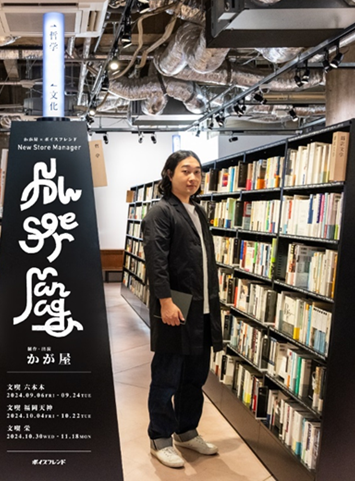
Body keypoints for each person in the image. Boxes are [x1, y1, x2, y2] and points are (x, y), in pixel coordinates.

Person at [141, 150, 223, 469]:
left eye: (198, 172)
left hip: (202, 307)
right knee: (167, 376)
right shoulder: (160, 212)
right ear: (169, 174)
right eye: (185, 171)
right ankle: (160, 438)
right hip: (176, 305)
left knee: (195, 377)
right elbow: (156, 262)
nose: (192, 178)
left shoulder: (198, 211)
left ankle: (187, 431)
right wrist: (165, 302)